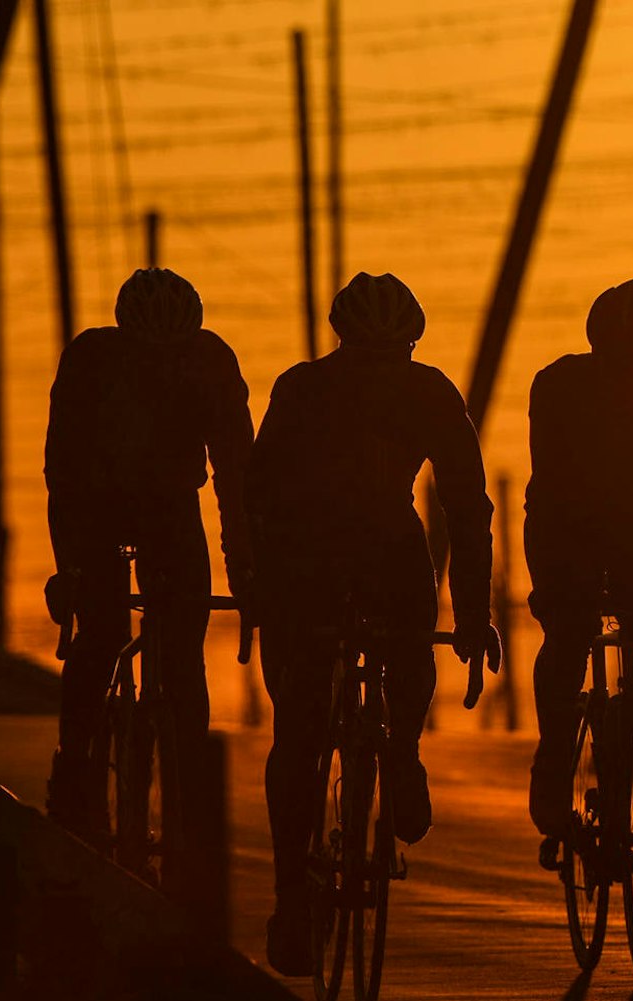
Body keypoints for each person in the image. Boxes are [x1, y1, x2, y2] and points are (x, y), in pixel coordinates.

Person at [251, 271, 502, 975]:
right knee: (312, 717)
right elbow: (467, 509)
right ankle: (395, 761)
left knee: (300, 729)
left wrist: (263, 589)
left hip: (332, 554)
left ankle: (395, 759)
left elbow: (259, 496)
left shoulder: (305, 387)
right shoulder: (418, 390)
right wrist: (475, 612)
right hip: (352, 553)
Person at [42, 268, 255, 846]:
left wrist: (243, 564)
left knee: (183, 652)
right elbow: (61, 470)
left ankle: (190, 789)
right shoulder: (91, 359)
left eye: (173, 355)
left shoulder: (211, 362)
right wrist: (71, 568)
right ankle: (73, 767)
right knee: (103, 631)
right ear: (125, 339)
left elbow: (237, 476)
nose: (161, 366)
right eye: (148, 356)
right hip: (96, 506)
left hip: (170, 508)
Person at [524, 280, 633, 907]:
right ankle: (554, 748)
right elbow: (547, 481)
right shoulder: (560, 383)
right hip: (565, 528)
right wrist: (553, 582)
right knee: (568, 635)